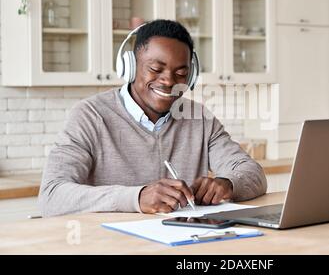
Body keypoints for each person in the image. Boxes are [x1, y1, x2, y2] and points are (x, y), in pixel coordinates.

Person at [39, 19, 267, 217]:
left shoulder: (200, 119)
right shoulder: (90, 116)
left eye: (181, 73)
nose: (168, 81)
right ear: (130, 66)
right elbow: (51, 196)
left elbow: (253, 173)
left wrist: (227, 184)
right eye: (156, 69)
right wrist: (136, 197)